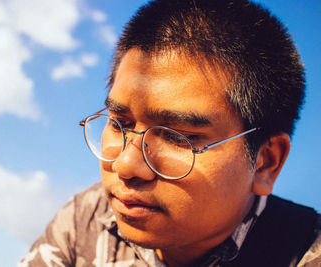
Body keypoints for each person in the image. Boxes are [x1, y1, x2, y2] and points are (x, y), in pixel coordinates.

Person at [19, 0, 321, 266]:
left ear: (265, 162)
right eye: (119, 124)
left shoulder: (305, 252)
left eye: (178, 137)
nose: (125, 166)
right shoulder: (88, 218)